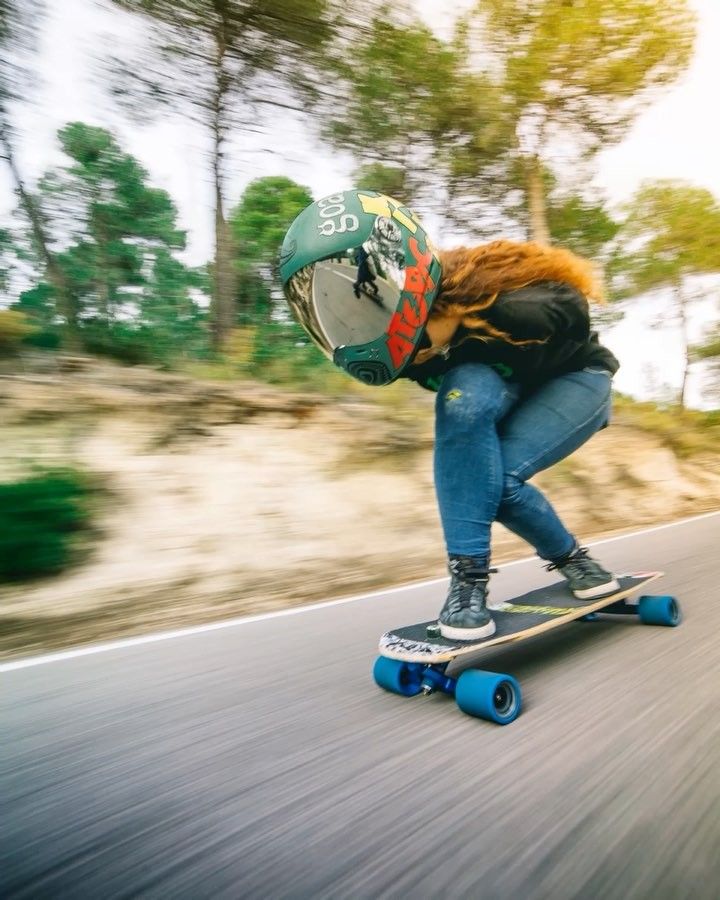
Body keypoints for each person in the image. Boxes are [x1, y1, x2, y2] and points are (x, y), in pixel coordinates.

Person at [280, 190, 620, 640]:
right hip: (507, 384)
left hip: (576, 377)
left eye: (422, 347)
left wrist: (478, 323)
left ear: (426, 300)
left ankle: (573, 561)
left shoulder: (523, 309)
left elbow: (572, 312)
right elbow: (457, 398)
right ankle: (469, 585)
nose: (416, 363)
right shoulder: (408, 352)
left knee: (493, 483)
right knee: (463, 401)